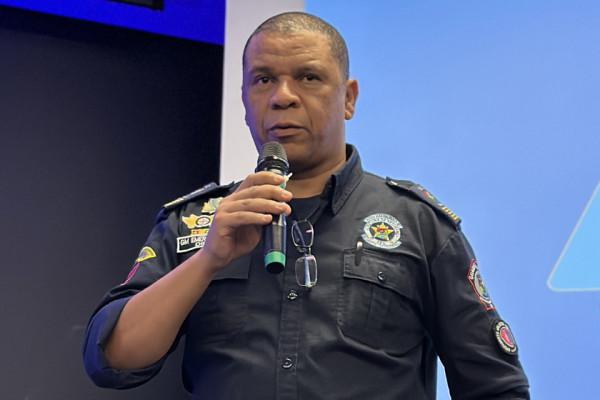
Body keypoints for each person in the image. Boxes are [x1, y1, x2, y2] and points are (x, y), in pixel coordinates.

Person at [83, 11, 529, 399]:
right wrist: (207, 261)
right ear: (244, 99)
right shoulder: (195, 223)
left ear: (348, 98)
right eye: (263, 80)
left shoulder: (419, 224)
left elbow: (496, 386)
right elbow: (112, 360)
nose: (282, 96)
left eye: (308, 77)